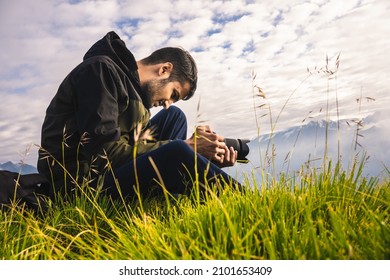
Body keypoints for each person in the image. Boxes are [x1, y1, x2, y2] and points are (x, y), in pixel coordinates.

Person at [38, 31, 240, 200]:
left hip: (111, 174)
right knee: (177, 150)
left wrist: (202, 158)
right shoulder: (100, 70)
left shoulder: (136, 93)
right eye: (173, 94)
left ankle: (174, 192)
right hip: (83, 186)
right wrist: (186, 148)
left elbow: (133, 146)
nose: (167, 104)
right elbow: (104, 155)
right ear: (164, 70)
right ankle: (241, 202)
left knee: (175, 117)